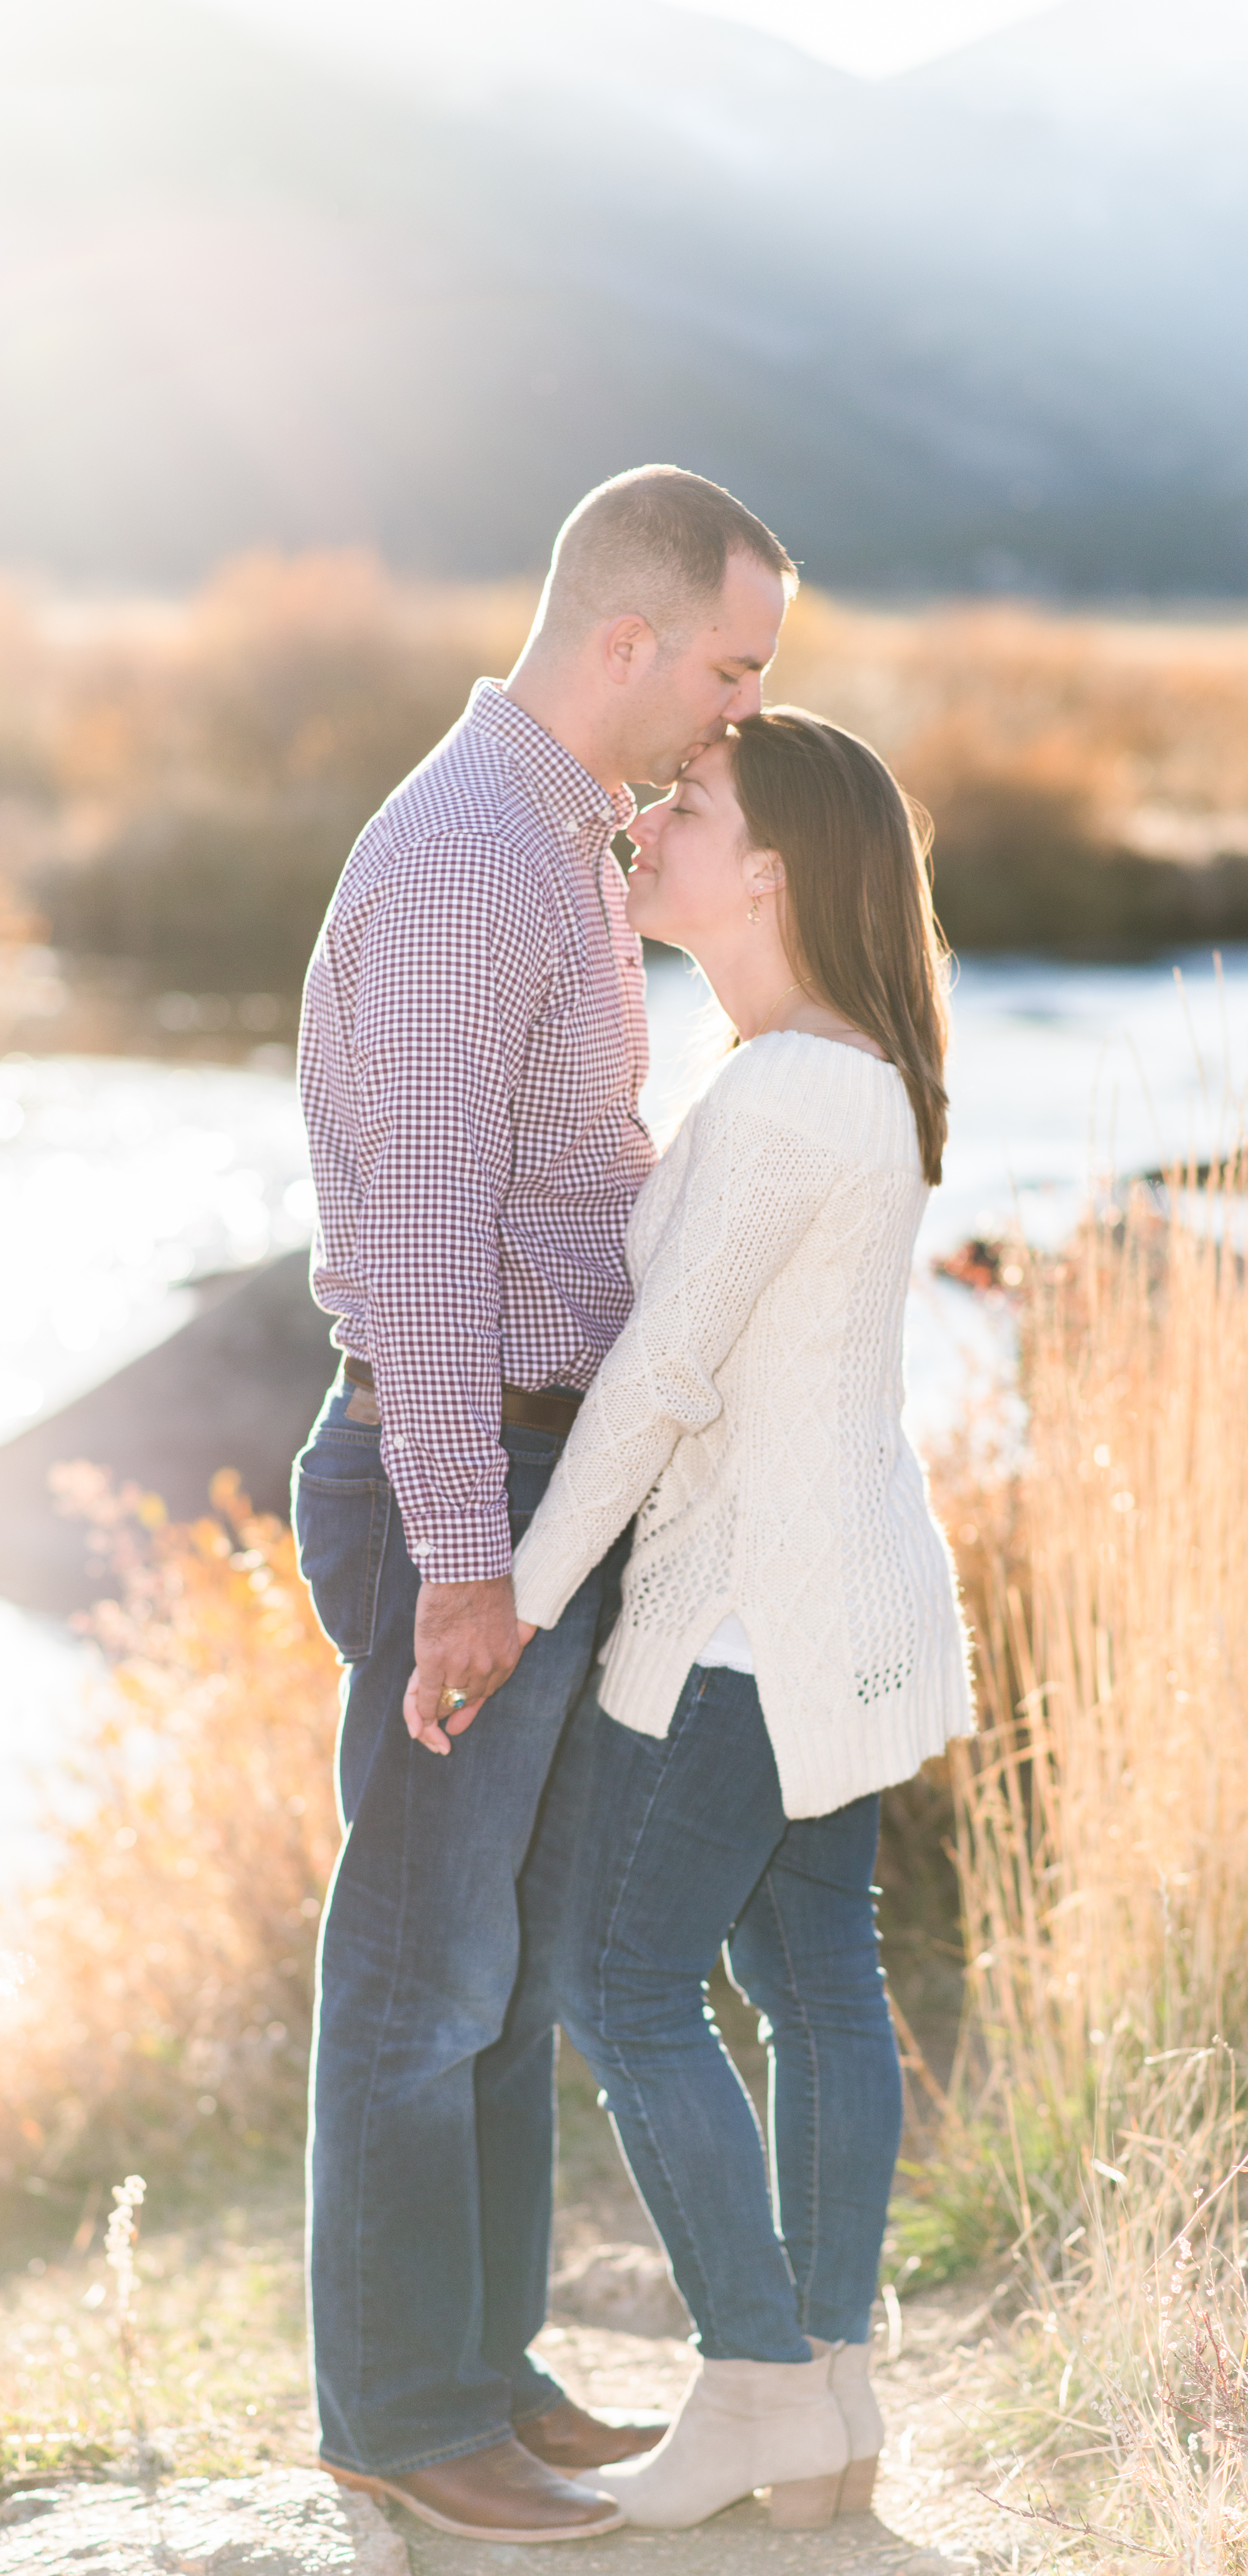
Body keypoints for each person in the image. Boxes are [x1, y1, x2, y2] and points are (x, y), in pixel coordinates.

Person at [292, 466, 796, 2541]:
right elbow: (415, 1249)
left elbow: (560, 1170)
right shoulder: (456, 862)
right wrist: (462, 1560)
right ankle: (401, 2412)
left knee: (492, 1966)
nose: (740, 713)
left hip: (539, 1475)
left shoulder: (563, 836)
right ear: (625, 640)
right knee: (418, 1976)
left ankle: (478, 2372)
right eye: (731, 666)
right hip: (458, 1480)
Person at [507, 707, 974, 2531]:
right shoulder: (838, 1065)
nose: (647, 823)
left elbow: (657, 1379)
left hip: (742, 1628)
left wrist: (521, 1602)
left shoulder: (786, 1091)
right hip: (835, 1607)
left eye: (684, 806)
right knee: (811, 1980)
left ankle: (759, 2381)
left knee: (619, 1982)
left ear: (768, 866)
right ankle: (833, 2393)